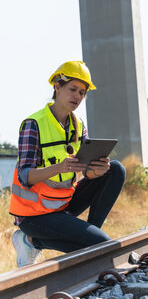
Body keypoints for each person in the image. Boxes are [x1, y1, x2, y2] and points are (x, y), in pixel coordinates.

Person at [10, 61, 126, 267]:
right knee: (103, 244)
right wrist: (58, 168)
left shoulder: (78, 126)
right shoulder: (33, 124)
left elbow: (85, 172)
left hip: (63, 206)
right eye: (73, 89)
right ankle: (29, 240)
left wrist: (96, 171)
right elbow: (24, 176)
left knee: (116, 169)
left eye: (82, 93)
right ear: (57, 86)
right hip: (33, 215)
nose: (77, 97)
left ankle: (90, 240)